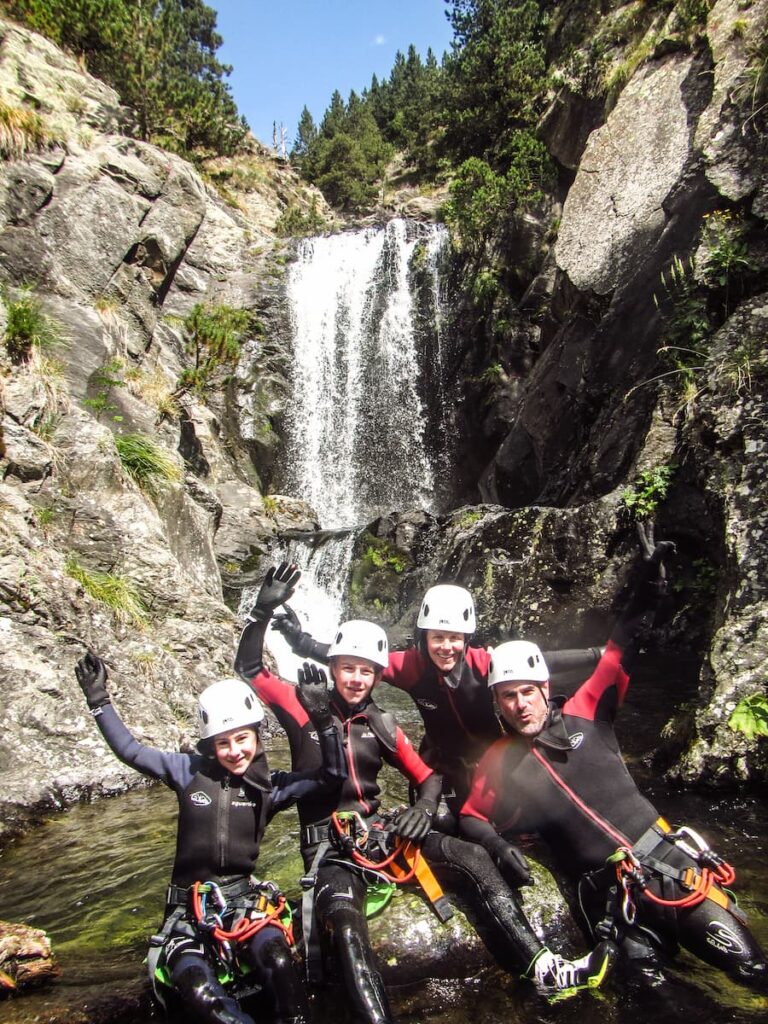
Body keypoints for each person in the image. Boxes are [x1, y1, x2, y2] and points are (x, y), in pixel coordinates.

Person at [234, 564, 615, 1018]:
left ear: (379, 677)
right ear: (332, 669)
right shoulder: (301, 704)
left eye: (366, 672)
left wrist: (425, 808)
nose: (356, 679)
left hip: (386, 829)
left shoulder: (382, 721)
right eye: (347, 669)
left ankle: (544, 967)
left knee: (472, 855)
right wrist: (264, 614)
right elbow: (251, 667)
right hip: (330, 849)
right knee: (349, 932)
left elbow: (427, 773)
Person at [459, 536, 768, 992]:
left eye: (528, 691)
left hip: (670, 873)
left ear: (545, 689)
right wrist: (499, 845)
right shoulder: (499, 761)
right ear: (497, 703)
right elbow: (470, 814)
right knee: (654, 1003)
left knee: (753, 972)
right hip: (613, 902)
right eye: (509, 695)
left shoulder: (588, 711)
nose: (521, 704)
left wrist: (647, 592)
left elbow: (621, 649)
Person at [74, 651, 347, 1024]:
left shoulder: (270, 787)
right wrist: (98, 702)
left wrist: (324, 721)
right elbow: (131, 751)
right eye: (223, 743)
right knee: (202, 993)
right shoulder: (186, 771)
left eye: (242, 738)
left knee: (280, 963)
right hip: (187, 912)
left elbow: (332, 776)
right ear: (210, 745)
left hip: (244, 903)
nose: (235, 751)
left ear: (256, 734)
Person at [273, 582, 603, 819]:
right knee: (444, 825)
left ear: (466, 639)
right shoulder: (411, 667)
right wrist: (299, 640)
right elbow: (357, 658)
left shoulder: (484, 663)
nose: (446, 647)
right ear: (424, 638)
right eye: (438, 638)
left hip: (495, 762)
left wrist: (599, 655)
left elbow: (544, 662)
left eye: (455, 639)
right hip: (442, 766)